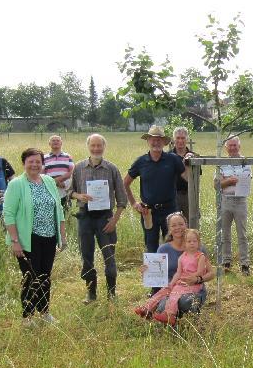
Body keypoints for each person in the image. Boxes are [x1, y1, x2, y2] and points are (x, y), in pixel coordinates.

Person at [3, 148, 66, 324]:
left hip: (49, 237)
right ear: (24, 163)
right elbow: (8, 214)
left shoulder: (48, 181)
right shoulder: (16, 184)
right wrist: (15, 241)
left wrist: (62, 235)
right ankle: (27, 316)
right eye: (31, 161)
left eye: (38, 161)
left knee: (45, 276)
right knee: (30, 277)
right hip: (27, 239)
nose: (34, 165)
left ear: (42, 164)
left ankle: (45, 312)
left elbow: (58, 209)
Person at [69, 133, 128, 303]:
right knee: (86, 256)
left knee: (109, 256)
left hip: (105, 219)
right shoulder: (79, 168)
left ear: (104, 147)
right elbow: (69, 192)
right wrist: (79, 196)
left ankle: (112, 294)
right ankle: (91, 293)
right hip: (85, 218)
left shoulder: (112, 169)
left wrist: (114, 220)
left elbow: (122, 199)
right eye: (93, 145)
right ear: (88, 146)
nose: (96, 149)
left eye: (99, 146)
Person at [125, 125, 186, 254]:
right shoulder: (141, 162)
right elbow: (125, 184)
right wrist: (134, 204)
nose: (156, 142)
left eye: (159, 139)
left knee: (173, 244)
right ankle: (153, 274)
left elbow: (189, 178)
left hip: (170, 211)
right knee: (151, 246)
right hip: (148, 212)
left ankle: (173, 273)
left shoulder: (173, 159)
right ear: (148, 141)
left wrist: (192, 161)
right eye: (153, 139)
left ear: (164, 142)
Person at [135, 228, 211, 325]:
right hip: (180, 283)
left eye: (194, 241)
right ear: (185, 243)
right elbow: (178, 273)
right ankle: (147, 308)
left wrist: (191, 278)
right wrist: (171, 284)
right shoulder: (182, 256)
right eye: (189, 241)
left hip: (193, 284)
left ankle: (170, 315)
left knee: (175, 294)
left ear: (198, 243)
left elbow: (200, 272)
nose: (192, 243)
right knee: (164, 291)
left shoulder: (200, 256)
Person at [216, 135, 252, 275]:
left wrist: (227, 180)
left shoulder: (246, 162)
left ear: (239, 146)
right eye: (229, 145)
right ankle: (226, 262)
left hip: (241, 201)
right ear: (226, 147)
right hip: (226, 200)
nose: (232, 148)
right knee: (225, 233)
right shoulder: (221, 163)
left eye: (234, 145)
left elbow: (246, 181)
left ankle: (245, 264)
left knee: (242, 234)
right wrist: (230, 181)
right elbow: (217, 184)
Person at [168, 126, 196, 222]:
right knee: (174, 225)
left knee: (191, 223)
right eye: (178, 138)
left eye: (183, 138)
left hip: (190, 195)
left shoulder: (194, 157)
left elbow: (196, 178)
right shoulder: (168, 157)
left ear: (187, 139)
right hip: (173, 196)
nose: (180, 141)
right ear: (173, 140)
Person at [43, 135, 75, 211]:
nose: (55, 142)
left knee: (64, 213)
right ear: (49, 143)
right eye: (53, 140)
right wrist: (55, 182)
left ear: (61, 143)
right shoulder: (44, 157)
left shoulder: (68, 156)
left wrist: (57, 180)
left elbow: (72, 171)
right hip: (50, 191)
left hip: (64, 189)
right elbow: (42, 174)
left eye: (58, 140)